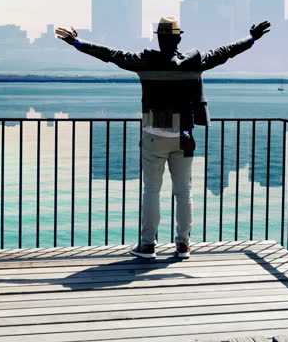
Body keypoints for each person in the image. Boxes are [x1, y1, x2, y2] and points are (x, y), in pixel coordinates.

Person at [55, 17, 271, 259]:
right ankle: (183, 245)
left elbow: (110, 54)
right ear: (179, 38)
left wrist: (77, 42)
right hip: (183, 134)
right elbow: (225, 52)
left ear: (158, 38)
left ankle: (147, 245)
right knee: (184, 191)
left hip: (153, 134)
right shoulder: (194, 61)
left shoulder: (145, 61)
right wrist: (251, 38)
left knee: (151, 192)